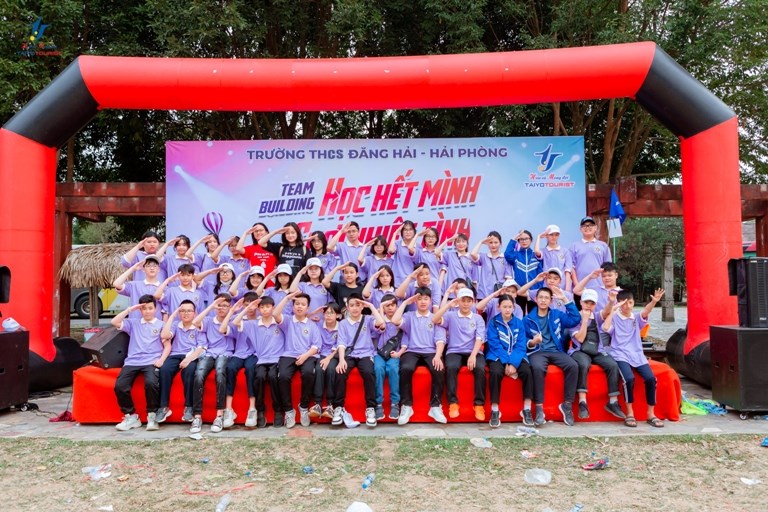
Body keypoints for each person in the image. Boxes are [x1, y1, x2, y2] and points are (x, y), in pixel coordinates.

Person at [602, 288, 666, 428]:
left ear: (633, 302)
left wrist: (654, 302)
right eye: (624, 303)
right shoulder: (615, 318)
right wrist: (613, 309)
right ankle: (630, 413)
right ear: (619, 303)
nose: (627, 306)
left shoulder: (636, 318)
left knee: (651, 379)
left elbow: (646, 312)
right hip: (620, 354)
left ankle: (651, 414)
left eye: (630, 303)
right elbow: (606, 328)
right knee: (629, 379)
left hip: (637, 354)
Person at [524, 287, 581, 426]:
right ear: (536, 299)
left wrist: (565, 299)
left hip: (556, 350)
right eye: (540, 297)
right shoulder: (528, 319)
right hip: (537, 352)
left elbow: (575, 319)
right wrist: (533, 342)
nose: (543, 300)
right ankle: (539, 409)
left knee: (573, 366)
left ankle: (567, 405)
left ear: (551, 301)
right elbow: (523, 341)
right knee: (537, 368)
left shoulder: (557, 314)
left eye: (546, 298)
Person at [111, 294, 169, 431]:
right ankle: (131, 417)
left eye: (150, 308)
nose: (147, 311)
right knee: (120, 386)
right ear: (140, 310)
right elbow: (114, 322)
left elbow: (167, 346)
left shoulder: (161, 325)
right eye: (144, 308)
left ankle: (152, 416)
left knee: (151, 384)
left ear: (155, 308)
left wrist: (161, 360)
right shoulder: (133, 323)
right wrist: (130, 310)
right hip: (132, 361)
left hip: (151, 361)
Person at [390, 288, 448, 425]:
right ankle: (406, 406)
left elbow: (440, 340)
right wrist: (405, 303)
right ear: (415, 301)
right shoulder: (409, 316)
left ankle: (435, 406)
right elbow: (395, 320)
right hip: (412, 350)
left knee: (438, 368)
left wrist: (438, 356)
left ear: (430, 301)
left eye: (426, 299)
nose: (423, 302)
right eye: (419, 299)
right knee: (406, 368)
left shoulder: (435, 317)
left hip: (431, 351)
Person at [568, 288, 625, 420]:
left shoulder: (597, 316)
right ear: (581, 302)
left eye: (592, 303)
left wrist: (611, 302)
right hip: (579, 350)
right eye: (586, 302)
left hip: (597, 350)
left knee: (612, 365)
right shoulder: (574, 318)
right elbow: (580, 339)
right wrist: (584, 321)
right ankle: (582, 402)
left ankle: (613, 402)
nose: (589, 305)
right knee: (583, 364)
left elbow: (605, 312)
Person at [331, 293, 386, 427]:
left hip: (366, 354)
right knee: (340, 372)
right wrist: (342, 360)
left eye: (358, 305)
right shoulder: (343, 323)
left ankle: (371, 408)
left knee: (368, 373)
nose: (355, 308)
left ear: (362, 306)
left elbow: (381, 323)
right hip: (350, 354)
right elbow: (341, 343)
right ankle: (339, 407)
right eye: (352, 305)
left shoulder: (368, 319)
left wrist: (371, 306)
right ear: (347, 307)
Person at [433, 287, 486, 421]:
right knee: (451, 367)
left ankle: (479, 404)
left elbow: (479, 338)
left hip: (473, 351)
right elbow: (435, 319)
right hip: (454, 350)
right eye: (463, 300)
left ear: (473, 302)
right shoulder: (451, 315)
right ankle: (453, 403)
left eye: (469, 301)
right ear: (458, 301)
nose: (466, 304)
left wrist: (473, 355)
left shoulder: (478, 318)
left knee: (480, 368)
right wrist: (448, 305)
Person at [233, 295, 287, 428]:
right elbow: (235, 322)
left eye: (268, 306)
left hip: (277, 359)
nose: (265, 309)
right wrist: (248, 309)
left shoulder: (279, 322)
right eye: (262, 307)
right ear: (258, 309)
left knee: (273, 377)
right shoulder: (253, 324)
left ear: (273, 308)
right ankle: (260, 410)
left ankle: (278, 411)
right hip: (261, 360)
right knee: (259, 377)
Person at [485, 294, 534, 427]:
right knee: (495, 372)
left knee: (527, 371)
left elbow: (521, 345)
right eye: (504, 306)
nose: (507, 309)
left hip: (516, 355)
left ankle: (527, 409)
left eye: (510, 307)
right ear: (498, 307)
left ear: (514, 308)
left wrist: (513, 363)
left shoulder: (519, 322)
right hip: (497, 355)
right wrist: (507, 362)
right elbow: (494, 345)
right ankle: (495, 410)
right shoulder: (493, 322)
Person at [190, 294, 235, 433]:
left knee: (220, 372)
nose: (221, 308)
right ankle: (197, 416)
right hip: (210, 353)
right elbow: (195, 322)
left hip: (226, 353)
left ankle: (219, 415)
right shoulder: (209, 320)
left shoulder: (233, 320)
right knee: (199, 374)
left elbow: (226, 329)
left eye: (225, 306)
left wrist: (231, 312)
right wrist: (211, 307)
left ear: (230, 307)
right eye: (219, 305)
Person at [276, 291, 321, 428]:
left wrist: (305, 356)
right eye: (297, 304)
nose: (299, 306)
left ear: (308, 308)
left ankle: (304, 407)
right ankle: (289, 410)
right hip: (289, 354)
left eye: (303, 304)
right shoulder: (288, 321)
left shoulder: (312, 325)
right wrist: (287, 298)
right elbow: (275, 314)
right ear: (293, 306)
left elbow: (316, 346)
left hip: (307, 355)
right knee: (283, 376)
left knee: (308, 373)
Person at [157, 300, 205, 426]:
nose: (186, 313)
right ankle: (163, 407)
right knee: (164, 370)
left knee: (189, 371)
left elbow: (201, 348)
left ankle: (189, 407)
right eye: (182, 311)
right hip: (175, 355)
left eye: (189, 311)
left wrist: (188, 359)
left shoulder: (198, 326)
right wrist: (172, 316)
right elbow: (164, 335)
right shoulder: (175, 325)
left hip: (190, 355)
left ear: (194, 313)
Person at [219, 293, 260, 428]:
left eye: (253, 305)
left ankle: (252, 409)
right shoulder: (239, 319)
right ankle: (229, 409)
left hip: (255, 353)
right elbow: (223, 329)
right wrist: (233, 311)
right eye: (247, 305)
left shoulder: (262, 320)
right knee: (230, 368)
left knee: (250, 369)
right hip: (239, 353)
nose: (250, 308)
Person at [308, 302, 342, 420]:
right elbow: (303, 319)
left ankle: (330, 404)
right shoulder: (318, 325)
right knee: (319, 369)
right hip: (320, 354)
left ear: (338, 315)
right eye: (326, 313)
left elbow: (340, 345)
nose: (329, 315)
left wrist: (328, 358)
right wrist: (314, 312)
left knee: (332, 369)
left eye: (332, 313)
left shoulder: (341, 327)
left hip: (334, 355)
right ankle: (317, 403)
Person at [373, 294, 405, 420]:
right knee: (378, 369)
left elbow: (406, 339)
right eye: (387, 306)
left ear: (397, 306)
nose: (390, 308)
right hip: (379, 354)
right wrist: (380, 309)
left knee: (393, 369)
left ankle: (395, 403)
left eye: (392, 305)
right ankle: (378, 403)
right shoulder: (378, 320)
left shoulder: (400, 321)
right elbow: (381, 327)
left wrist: (399, 353)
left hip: (394, 354)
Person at [567, 216, 612, 291]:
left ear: (595, 228)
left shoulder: (603, 246)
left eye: (590, 225)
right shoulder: (574, 246)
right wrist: (577, 285)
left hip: (600, 286)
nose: (588, 227)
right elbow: (571, 267)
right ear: (580, 229)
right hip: (580, 288)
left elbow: (608, 267)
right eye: (585, 225)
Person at [504, 229, 542, 314]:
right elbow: (507, 254)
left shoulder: (536, 256)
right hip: (519, 291)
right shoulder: (516, 255)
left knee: (533, 315)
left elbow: (540, 273)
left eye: (526, 239)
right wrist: (514, 239)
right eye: (521, 239)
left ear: (531, 240)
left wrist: (538, 289)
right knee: (519, 314)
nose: (524, 241)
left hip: (534, 291)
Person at [470, 231, 512, 300]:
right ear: (487, 244)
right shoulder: (483, 257)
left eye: (496, 242)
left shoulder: (505, 258)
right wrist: (481, 242)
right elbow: (473, 254)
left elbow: (508, 279)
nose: (493, 245)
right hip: (483, 295)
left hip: (499, 295)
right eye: (490, 242)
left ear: (500, 243)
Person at [533, 225, 571, 289]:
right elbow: (536, 251)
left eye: (556, 235)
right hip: (547, 286)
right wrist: (539, 237)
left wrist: (567, 290)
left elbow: (568, 272)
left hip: (561, 286)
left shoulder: (565, 251)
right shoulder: (544, 251)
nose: (554, 237)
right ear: (546, 236)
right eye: (551, 235)